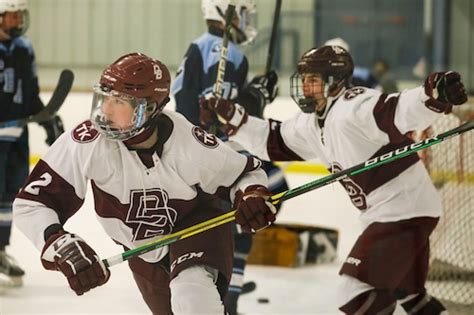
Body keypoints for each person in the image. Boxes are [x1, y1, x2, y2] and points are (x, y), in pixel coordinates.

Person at [200, 45, 468, 314]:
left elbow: (396, 109)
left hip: (402, 210)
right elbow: (274, 140)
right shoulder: (311, 121)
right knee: (410, 295)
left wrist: (432, 95)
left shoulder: (354, 105)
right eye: (304, 79)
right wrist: (232, 118)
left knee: (354, 292)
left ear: (335, 83)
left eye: (313, 80)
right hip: (397, 211)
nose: (305, 86)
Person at [12, 52, 276, 314]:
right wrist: (63, 246)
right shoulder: (87, 143)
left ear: (149, 109)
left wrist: (251, 196)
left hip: (197, 229)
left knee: (192, 298)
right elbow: (32, 204)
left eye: (120, 103)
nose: (106, 110)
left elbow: (244, 174)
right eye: (105, 98)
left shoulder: (188, 142)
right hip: (141, 250)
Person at [172, 0, 288, 313]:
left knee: (265, 196)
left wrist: (257, 93)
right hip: (212, 155)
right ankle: (228, 291)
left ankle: (230, 288)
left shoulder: (221, 51)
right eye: (241, 13)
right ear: (225, 14)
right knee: (256, 205)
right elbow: (197, 105)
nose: (245, 20)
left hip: (220, 149)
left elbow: (229, 107)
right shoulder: (211, 49)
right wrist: (252, 99)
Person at [0, 0, 63, 288]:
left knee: (8, 198)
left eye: (19, 15)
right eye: (12, 16)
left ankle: (0, 251)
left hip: (17, 136)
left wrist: (46, 118)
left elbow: (30, 91)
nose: (17, 21)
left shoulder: (24, 48)